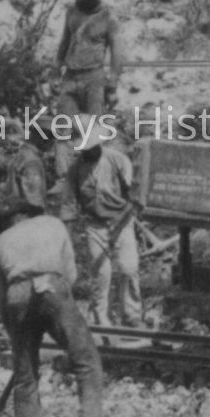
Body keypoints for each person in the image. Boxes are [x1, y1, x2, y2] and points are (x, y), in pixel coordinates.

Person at [0, 196, 113, 417]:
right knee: (86, 361)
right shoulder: (52, 224)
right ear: (27, 213)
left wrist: (14, 333)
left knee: (25, 374)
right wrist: (59, 304)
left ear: (4, 223)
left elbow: (0, 297)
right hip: (53, 287)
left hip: (16, 295)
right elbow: (70, 273)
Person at [67, 119, 144, 330]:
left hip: (122, 221)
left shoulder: (117, 160)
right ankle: (99, 319)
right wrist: (70, 233)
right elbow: (70, 203)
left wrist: (120, 220)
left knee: (128, 268)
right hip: (95, 225)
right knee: (101, 274)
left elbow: (134, 196)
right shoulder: (76, 169)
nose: (87, 152)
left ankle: (132, 316)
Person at [55, 0, 121, 123]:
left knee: (93, 128)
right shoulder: (71, 11)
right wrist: (56, 70)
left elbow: (116, 53)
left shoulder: (108, 17)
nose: (80, 2)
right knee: (64, 124)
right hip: (70, 76)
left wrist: (112, 86)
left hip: (94, 78)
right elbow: (65, 41)